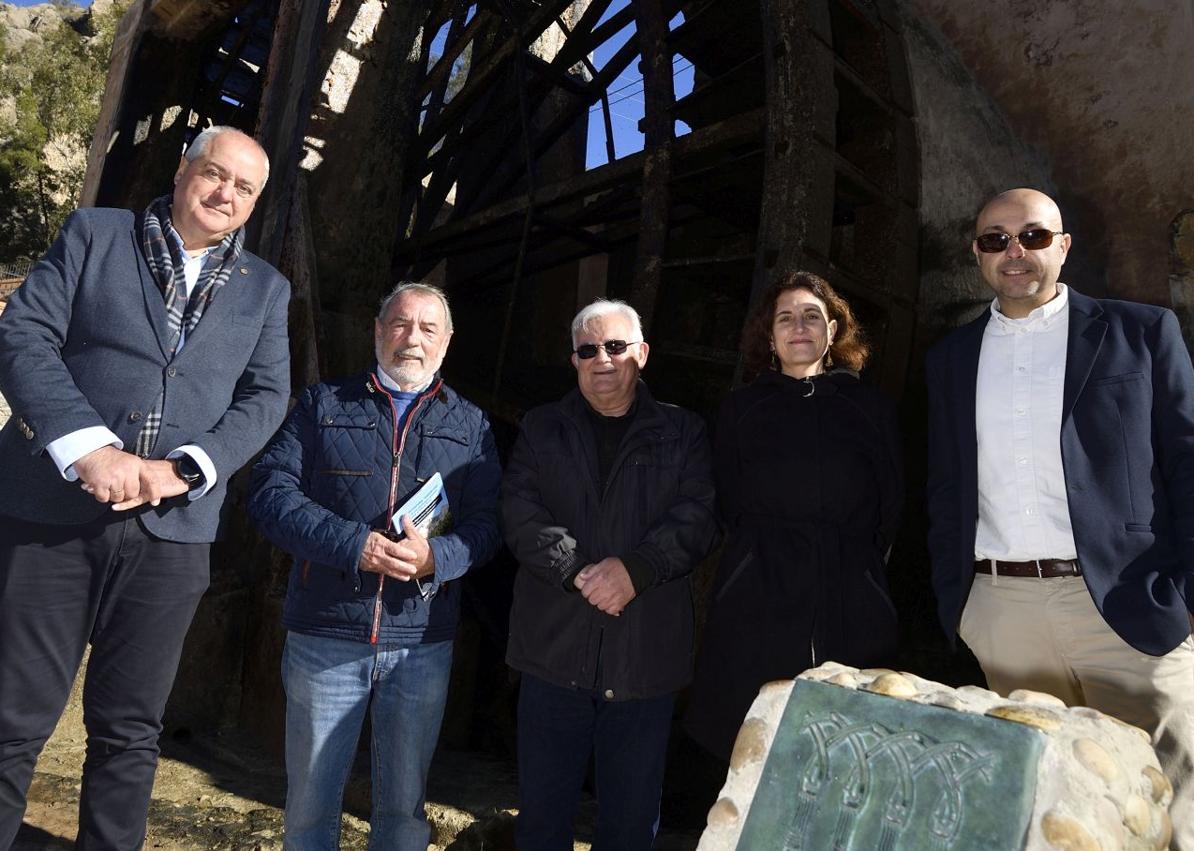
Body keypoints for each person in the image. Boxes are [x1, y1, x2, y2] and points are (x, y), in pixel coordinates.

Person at [0, 125, 290, 849]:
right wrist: (89, 446)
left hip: (173, 536)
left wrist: (186, 468)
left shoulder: (266, 289)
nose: (225, 193)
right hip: (52, 515)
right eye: (214, 174)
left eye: (244, 187)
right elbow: (24, 336)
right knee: (11, 717)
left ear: (254, 202)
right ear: (183, 169)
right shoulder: (96, 234)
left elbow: (265, 399)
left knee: (130, 732)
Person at [927, 187, 1194, 847]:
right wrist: (961, 608)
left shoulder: (1142, 330)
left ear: (1064, 246)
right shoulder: (949, 359)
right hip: (1002, 611)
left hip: (1130, 607)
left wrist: (1188, 595)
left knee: (1173, 802)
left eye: (1034, 236)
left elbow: (1189, 458)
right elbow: (945, 486)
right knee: (1053, 806)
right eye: (996, 239)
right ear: (978, 253)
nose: (1015, 252)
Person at [248, 281, 501, 851]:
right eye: (400, 324)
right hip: (326, 635)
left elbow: (489, 527)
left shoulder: (472, 426)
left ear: (447, 341)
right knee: (311, 804)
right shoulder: (323, 406)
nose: (412, 338)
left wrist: (437, 556)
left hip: (421, 645)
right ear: (378, 331)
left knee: (403, 810)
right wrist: (351, 544)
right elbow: (269, 495)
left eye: (428, 328)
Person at [502, 298, 718, 851]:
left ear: (641, 354)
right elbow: (520, 514)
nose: (604, 359)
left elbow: (698, 517)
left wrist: (637, 570)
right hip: (553, 658)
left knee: (628, 825)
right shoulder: (541, 427)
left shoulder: (683, 431)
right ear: (573, 360)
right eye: (588, 349)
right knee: (542, 821)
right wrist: (577, 571)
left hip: (643, 661)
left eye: (617, 346)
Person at [683, 271, 903, 765]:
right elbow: (728, 499)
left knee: (846, 738)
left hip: (849, 585)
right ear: (770, 335)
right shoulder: (741, 409)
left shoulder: (871, 407)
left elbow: (891, 502)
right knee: (751, 733)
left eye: (812, 317)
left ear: (833, 331)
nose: (798, 327)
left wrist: (863, 571)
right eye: (785, 318)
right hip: (759, 584)